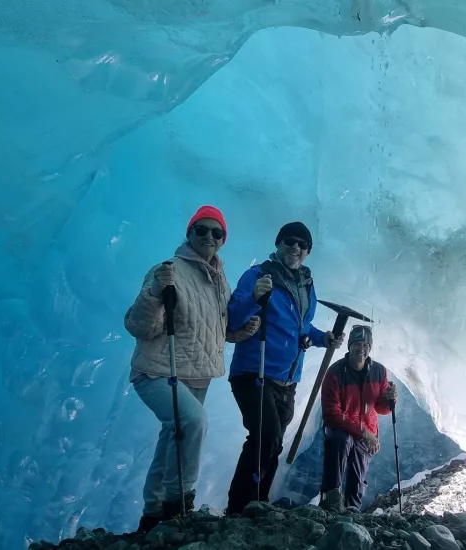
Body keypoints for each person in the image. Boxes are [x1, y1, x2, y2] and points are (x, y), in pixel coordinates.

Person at [123, 205, 262, 532]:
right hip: (158, 372)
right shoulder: (167, 270)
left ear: (224, 239)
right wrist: (156, 291)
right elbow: (138, 326)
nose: (209, 237)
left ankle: (152, 512)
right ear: (189, 233)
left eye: (217, 232)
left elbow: (213, 327)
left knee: (172, 436)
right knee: (192, 421)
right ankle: (180, 502)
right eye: (202, 230)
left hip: (197, 375)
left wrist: (238, 334)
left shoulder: (218, 279)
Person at [224, 221, 344, 515]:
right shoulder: (258, 275)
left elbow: (301, 328)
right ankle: (239, 508)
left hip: (287, 380)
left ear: (308, 252)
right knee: (266, 437)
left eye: (302, 245)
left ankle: (258, 502)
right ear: (278, 243)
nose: (295, 248)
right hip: (255, 371)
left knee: (273, 444)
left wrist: (322, 338)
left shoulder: (306, 284)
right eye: (289, 241)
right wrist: (254, 298)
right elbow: (232, 318)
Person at [317, 325, 397, 512]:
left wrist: (390, 399)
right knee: (340, 441)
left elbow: (381, 409)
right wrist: (363, 432)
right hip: (342, 429)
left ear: (370, 348)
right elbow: (331, 415)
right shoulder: (335, 373)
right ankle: (331, 502)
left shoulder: (379, 372)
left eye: (366, 345)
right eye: (357, 344)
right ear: (349, 346)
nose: (361, 349)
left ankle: (352, 511)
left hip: (367, 430)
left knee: (357, 475)